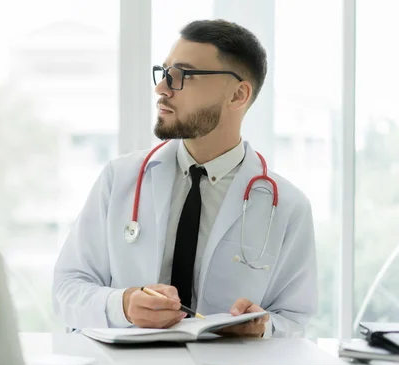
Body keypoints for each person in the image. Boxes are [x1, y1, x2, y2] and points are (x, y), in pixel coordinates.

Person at [52, 19, 317, 338]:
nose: (161, 88)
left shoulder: (288, 207)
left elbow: (295, 320)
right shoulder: (119, 179)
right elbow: (66, 291)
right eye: (164, 73)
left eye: (183, 76)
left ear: (237, 95)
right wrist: (122, 305)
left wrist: (264, 327)